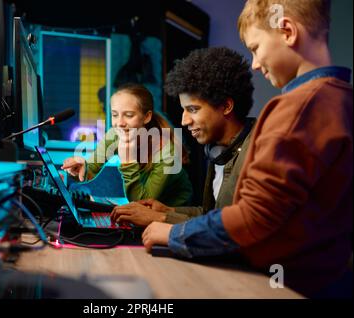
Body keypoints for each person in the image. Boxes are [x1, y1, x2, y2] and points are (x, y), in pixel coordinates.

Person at [142, 0, 353, 298]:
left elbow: (254, 217)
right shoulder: (342, 98)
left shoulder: (296, 107)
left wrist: (173, 232)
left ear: (288, 31)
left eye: (256, 48)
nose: (254, 63)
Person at [110, 47, 256, 227]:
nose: (184, 120)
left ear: (226, 106)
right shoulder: (218, 151)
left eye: (193, 109)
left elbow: (234, 228)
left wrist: (161, 219)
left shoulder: (256, 153)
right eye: (183, 109)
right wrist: (168, 211)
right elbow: (210, 215)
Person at [62, 83, 193, 207]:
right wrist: (81, 168)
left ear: (146, 117)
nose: (119, 123)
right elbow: (91, 169)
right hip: (141, 207)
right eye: (115, 115)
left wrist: (128, 161)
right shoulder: (114, 134)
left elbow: (143, 202)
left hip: (174, 211)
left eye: (129, 115)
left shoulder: (166, 151)